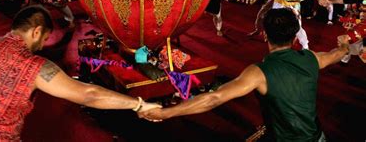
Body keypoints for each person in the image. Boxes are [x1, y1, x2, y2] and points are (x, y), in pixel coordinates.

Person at [0, 5, 160, 140]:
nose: (42, 45)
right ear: (36, 31)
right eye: (45, 38)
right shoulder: (35, 67)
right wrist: (138, 104)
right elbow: (89, 94)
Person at [139, 8, 353, 141]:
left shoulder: (258, 72)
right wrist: (344, 45)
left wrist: (165, 113)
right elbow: (336, 54)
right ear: (295, 38)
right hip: (317, 137)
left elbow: (214, 98)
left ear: (264, 35)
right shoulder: (312, 58)